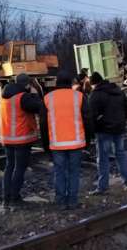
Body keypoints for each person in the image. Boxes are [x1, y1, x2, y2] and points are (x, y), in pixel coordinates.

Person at [40, 72, 90, 209]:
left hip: (56, 144)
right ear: (70, 83)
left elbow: (43, 125)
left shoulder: (48, 98)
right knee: (74, 172)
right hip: (76, 143)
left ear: (56, 83)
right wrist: (89, 140)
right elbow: (87, 120)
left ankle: (61, 202)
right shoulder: (79, 96)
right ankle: (73, 201)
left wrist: (45, 145)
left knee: (59, 172)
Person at [0, 73, 43, 208]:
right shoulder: (23, 97)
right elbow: (39, 107)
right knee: (19, 168)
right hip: (21, 138)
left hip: (7, 138)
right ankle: (15, 198)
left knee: (9, 167)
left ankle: (6, 199)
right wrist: (35, 93)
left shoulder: (3, 96)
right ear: (27, 84)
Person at [88, 72, 127, 195]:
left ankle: (102, 186)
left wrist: (93, 131)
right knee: (121, 154)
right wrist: (122, 122)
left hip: (103, 130)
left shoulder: (95, 95)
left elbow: (91, 116)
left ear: (93, 84)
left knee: (103, 158)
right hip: (119, 128)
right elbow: (126, 109)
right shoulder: (118, 90)